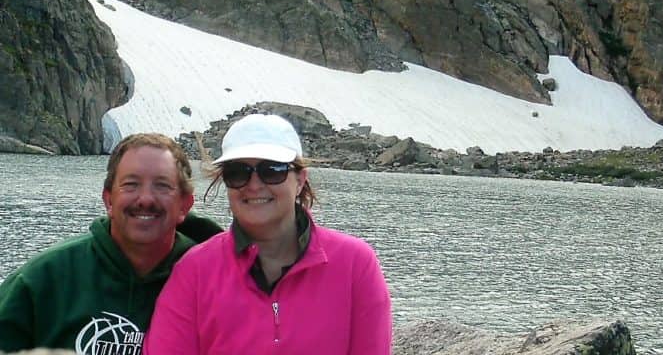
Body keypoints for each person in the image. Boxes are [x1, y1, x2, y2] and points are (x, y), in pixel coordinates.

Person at [143, 113, 392, 355]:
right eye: (238, 172)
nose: (254, 185)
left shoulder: (355, 264)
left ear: (300, 179)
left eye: (272, 170)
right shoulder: (193, 272)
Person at [0, 133, 222, 354]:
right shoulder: (41, 280)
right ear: (108, 200)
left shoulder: (214, 281)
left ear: (185, 204)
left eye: (162, 186)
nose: (145, 199)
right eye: (131, 185)